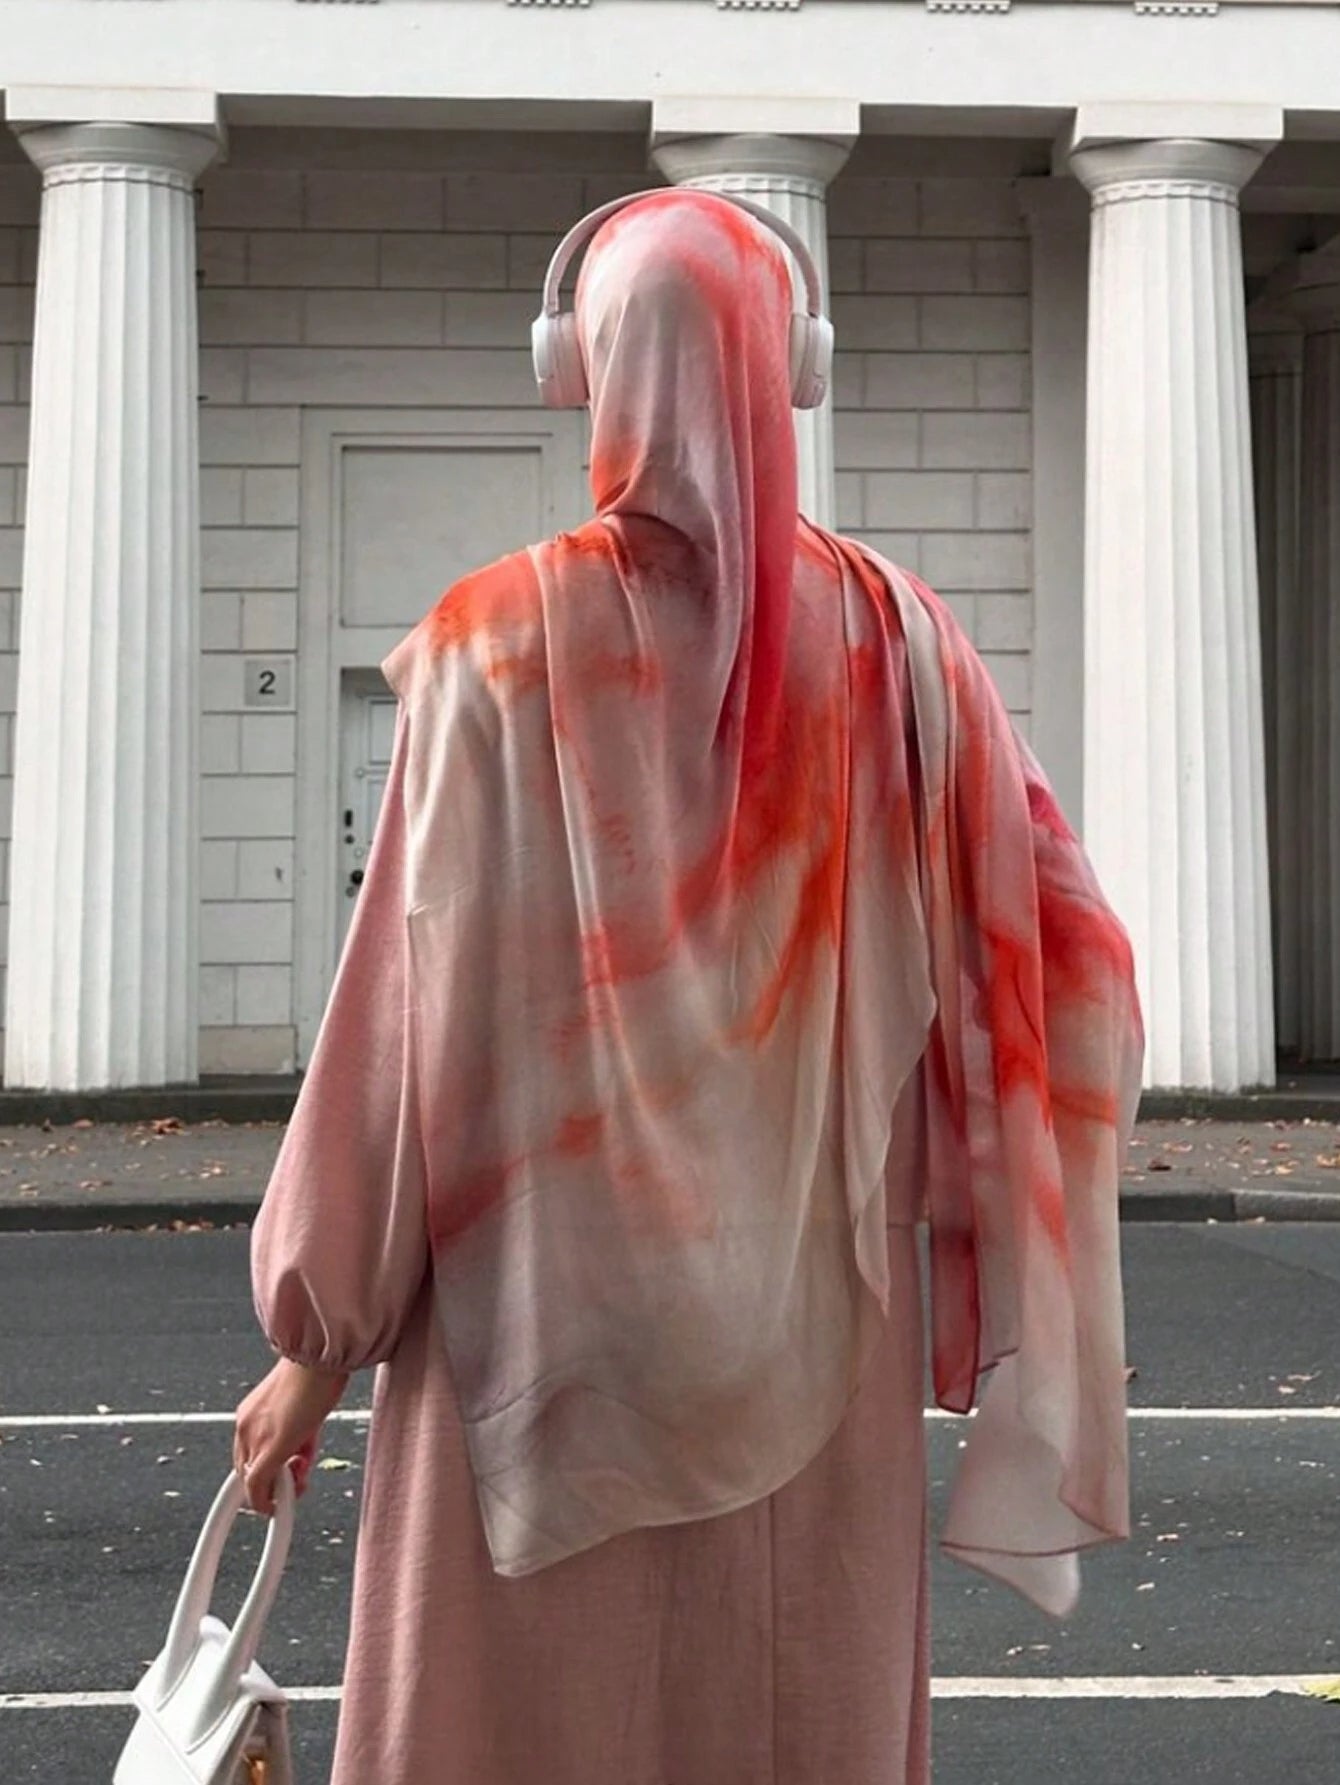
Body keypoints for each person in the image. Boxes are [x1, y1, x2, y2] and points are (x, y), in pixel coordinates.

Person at [235, 188, 1143, 1785]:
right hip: (821, 1331)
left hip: (537, 1328)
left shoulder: (491, 647)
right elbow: (1073, 963)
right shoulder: (906, 647)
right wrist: (938, 1173)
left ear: (578, 367)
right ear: (791, 365)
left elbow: (406, 1023)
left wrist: (317, 1336)